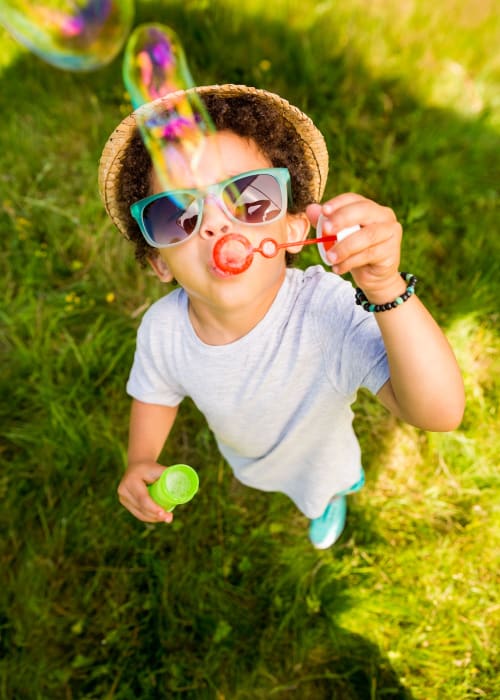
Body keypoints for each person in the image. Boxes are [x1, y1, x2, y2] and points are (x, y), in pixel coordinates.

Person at [98, 84, 465, 549]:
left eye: (249, 197)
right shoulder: (163, 329)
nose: (215, 223)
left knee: (323, 486)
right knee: (264, 476)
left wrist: (385, 288)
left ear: (294, 231)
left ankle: (333, 498)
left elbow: (439, 411)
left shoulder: (326, 310)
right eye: (176, 214)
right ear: (161, 263)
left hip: (321, 456)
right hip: (246, 456)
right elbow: (156, 393)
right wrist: (140, 458)